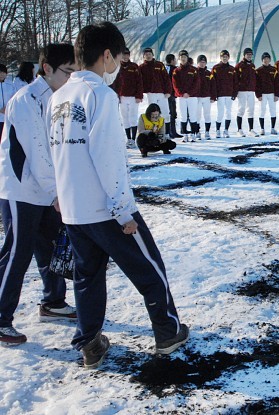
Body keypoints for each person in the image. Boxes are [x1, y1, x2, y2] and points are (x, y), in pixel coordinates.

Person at [49, 22, 188, 368]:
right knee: (148, 267)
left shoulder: (58, 96)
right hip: (106, 208)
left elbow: (55, 151)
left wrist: (60, 194)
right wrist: (124, 210)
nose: (120, 67)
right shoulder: (100, 96)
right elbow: (108, 157)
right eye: (119, 59)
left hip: (74, 209)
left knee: (88, 276)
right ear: (107, 55)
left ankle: (90, 341)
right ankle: (167, 330)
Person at [0, 43, 78, 346]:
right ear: (46, 68)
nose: (71, 78)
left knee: (51, 246)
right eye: (67, 72)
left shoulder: (60, 98)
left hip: (46, 190)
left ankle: (53, 302)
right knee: (18, 253)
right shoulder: (26, 100)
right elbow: (37, 151)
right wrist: (57, 192)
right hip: (20, 190)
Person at [111, 48, 143, 148]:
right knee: (125, 118)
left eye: (127, 55)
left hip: (133, 97)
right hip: (122, 97)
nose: (125, 57)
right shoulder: (116, 67)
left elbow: (139, 82)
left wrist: (139, 95)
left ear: (129, 56)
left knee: (133, 117)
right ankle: (128, 138)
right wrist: (116, 95)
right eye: (123, 55)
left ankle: (133, 139)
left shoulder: (134, 66)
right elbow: (114, 82)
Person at [139, 47, 174, 138]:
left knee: (165, 112)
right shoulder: (142, 67)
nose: (148, 56)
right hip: (150, 93)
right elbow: (139, 81)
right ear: (143, 56)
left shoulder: (159, 65)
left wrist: (168, 91)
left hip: (162, 93)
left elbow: (166, 78)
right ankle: (155, 132)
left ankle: (166, 133)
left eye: (149, 54)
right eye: (146, 55)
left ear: (152, 55)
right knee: (153, 114)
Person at [172, 50, 200, 142]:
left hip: (192, 96)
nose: (183, 59)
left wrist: (190, 93)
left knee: (193, 115)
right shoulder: (176, 71)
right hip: (181, 97)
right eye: (181, 57)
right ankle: (184, 134)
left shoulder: (193, 70)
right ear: (179, 58)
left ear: (187, 58)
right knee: (183, 115)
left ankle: (193, 134)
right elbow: (175, 84)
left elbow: (197, 83)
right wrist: (181, 93)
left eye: (184, 57)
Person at [211, 50, 236, 138]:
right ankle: (218, 130)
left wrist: (234, 93)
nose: (224, 58)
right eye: (223, 57)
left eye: (226, 57)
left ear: (228, 58)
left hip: (229, 94)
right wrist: (214, 95)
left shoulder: (232, 69)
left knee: (228, 112)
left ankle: (226, 130)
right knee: (220, 113)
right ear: (220, 58)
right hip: (220, 94)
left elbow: (235, 82)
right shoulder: (216, 68)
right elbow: (212, 82)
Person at [235, 47, 259, 137]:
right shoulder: (239, 66)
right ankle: (239, 129)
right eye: (247, 54)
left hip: (251, 91)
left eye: (250, 55)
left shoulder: (252, 65)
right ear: (244, 55)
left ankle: (251, 129)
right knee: (241, 109)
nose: (249, 56)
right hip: (242, 91)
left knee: (251, 110)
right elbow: (236, 79)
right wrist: (236, 91)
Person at [255, 52, 279, 135]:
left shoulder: (274, 70)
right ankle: (262, 129)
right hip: (262, 94)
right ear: (262, 60)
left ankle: (273, 128)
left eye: (267, 59)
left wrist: (277, 94)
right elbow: (257, 84)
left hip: (272, 94)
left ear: (270, 60)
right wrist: (258, 95)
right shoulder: (258, 70)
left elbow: (277, 83)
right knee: (262, 111)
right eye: (264, 59)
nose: (266, 60)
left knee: (273, 111)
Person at [164, 54, 183, 139]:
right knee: (171, 113)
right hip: (170, 94)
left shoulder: (166, 68)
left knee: (173, 113)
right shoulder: (172, 69)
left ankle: (173, 131)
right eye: (175, 59)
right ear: (172, 60)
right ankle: (171, 131)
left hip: (171, 94)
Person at [196, 54, 215, 139]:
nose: (202, 64)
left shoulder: (209, 73)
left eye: (204, 62)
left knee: (207, 115)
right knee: (197, 115)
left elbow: (213, 85)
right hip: (197, 97)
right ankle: (197, 131)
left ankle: (207, 132)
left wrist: (213, 96)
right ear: (198, 63)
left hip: (207, 97)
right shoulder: (195, 72)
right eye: (201, 62)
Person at [0, 64, 16, 137]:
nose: (1, 74)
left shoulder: (10, 84)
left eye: (3, 72)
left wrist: (8, 107)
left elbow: (15, 98)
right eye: (0, 72)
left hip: (8, 118)